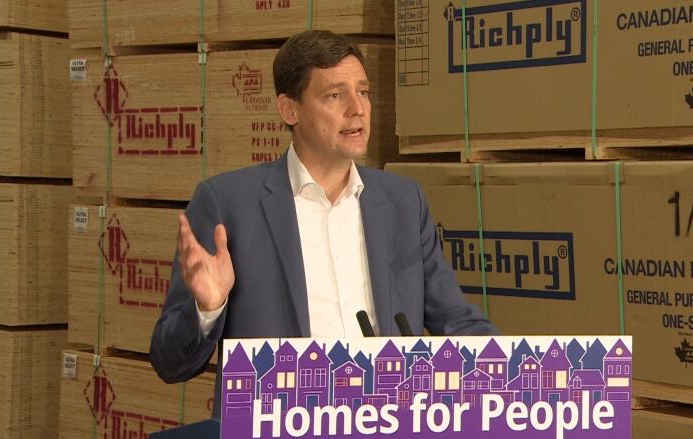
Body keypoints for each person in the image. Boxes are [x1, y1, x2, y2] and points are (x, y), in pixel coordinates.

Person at [149, 30, 496, 418]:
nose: (357, 109)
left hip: (388, 419)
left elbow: (457, 321)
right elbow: (169, 362)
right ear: (289, 110)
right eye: (335, 95)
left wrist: (518, 378)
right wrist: (207, 308)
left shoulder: (403, 201)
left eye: (362, 91)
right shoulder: (228, 204)